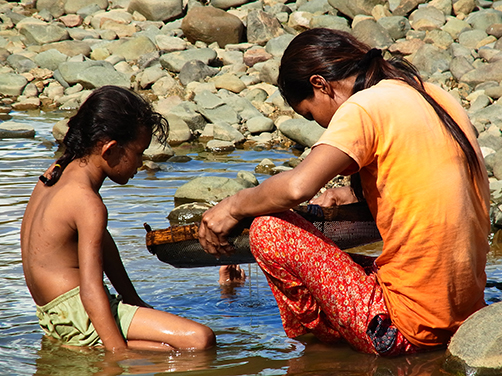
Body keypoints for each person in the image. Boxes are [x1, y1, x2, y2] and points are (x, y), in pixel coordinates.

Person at [198, 28, 490, 356]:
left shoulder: (365, 106)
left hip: (406, 329)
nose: (321, 126)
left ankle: (314, 350)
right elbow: (418, 192)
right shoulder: (432, 94)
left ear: (320, 84)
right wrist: (347, 196)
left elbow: (297, 187)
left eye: (310, 114)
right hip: (464, 316)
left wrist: (235, 205)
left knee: (270, 230)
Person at [21, 85, 215, 352]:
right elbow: (90, 291)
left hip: (55, 316)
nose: (141, 163)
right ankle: (105, 351)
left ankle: (96, 347)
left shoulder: (53, 174)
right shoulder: (87, 203)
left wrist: (132, 299)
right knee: (199, 340)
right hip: (81, 312)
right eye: (138, 153)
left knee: (165, 348)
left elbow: (99, 241)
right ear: (110, 149)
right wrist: (118, 356)